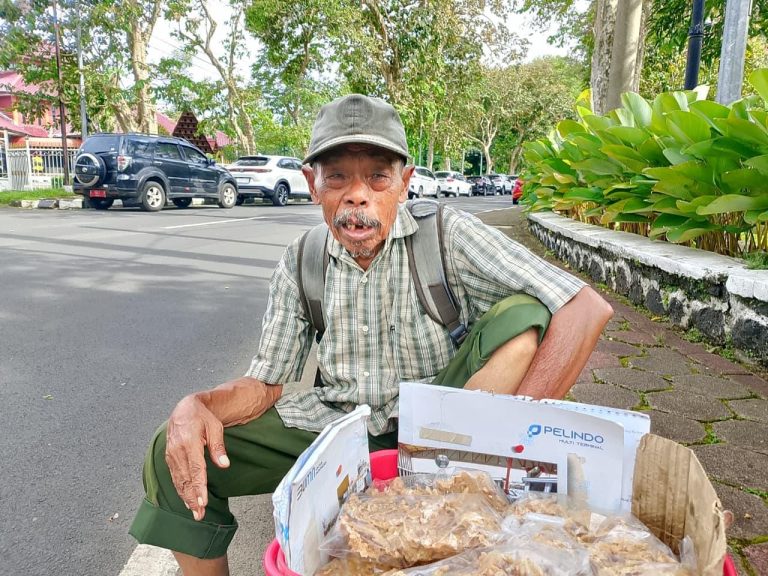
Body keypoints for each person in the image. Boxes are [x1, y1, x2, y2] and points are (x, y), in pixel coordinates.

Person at [129, 94, 613, 576]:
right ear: (312, 184)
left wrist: (516, 435)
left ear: (404, 183)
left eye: (377, 177)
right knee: (176, 447)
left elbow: (584, 308)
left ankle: (481, 459)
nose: (357, 195)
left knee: (524, 313)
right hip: (336, 428)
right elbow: (265, 383)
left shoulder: (446, 236)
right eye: (338, 177)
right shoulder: (302, 260)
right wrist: (201, 405)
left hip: (440, 426)